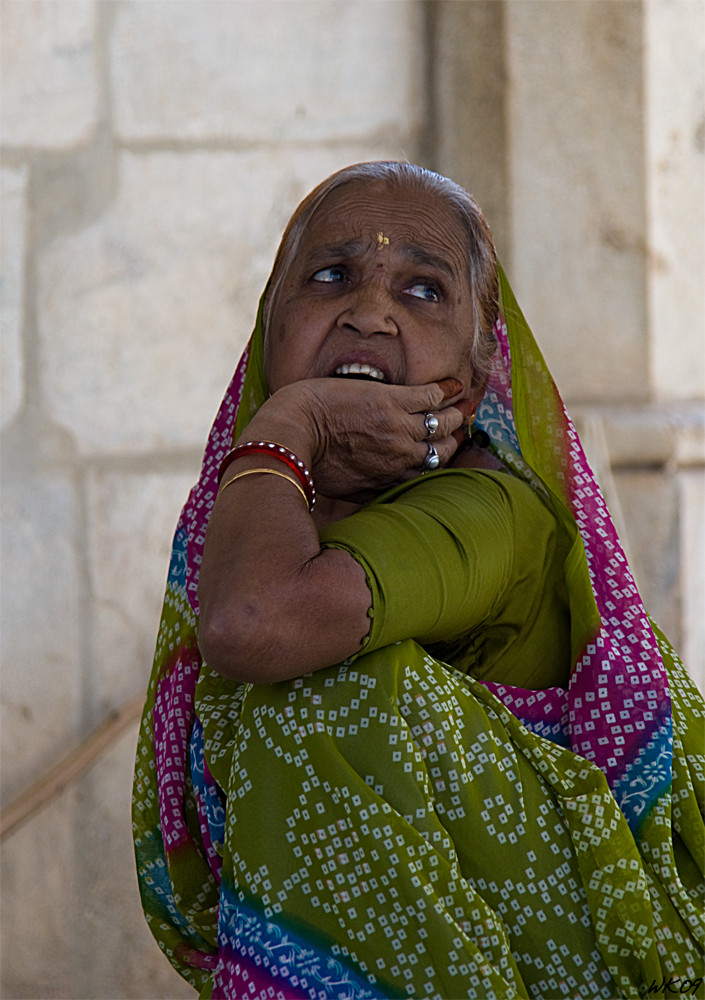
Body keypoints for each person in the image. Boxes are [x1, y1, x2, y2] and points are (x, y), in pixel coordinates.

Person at [132, 162, 704, 1000]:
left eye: (424, 290)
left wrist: (292, 419)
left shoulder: (491, 511)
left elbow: (254, 623)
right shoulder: (267, 507)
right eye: (330, 276)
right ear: (269, 327)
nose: (368, 312)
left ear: (475, 374)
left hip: (591, 960)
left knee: (323, 694)